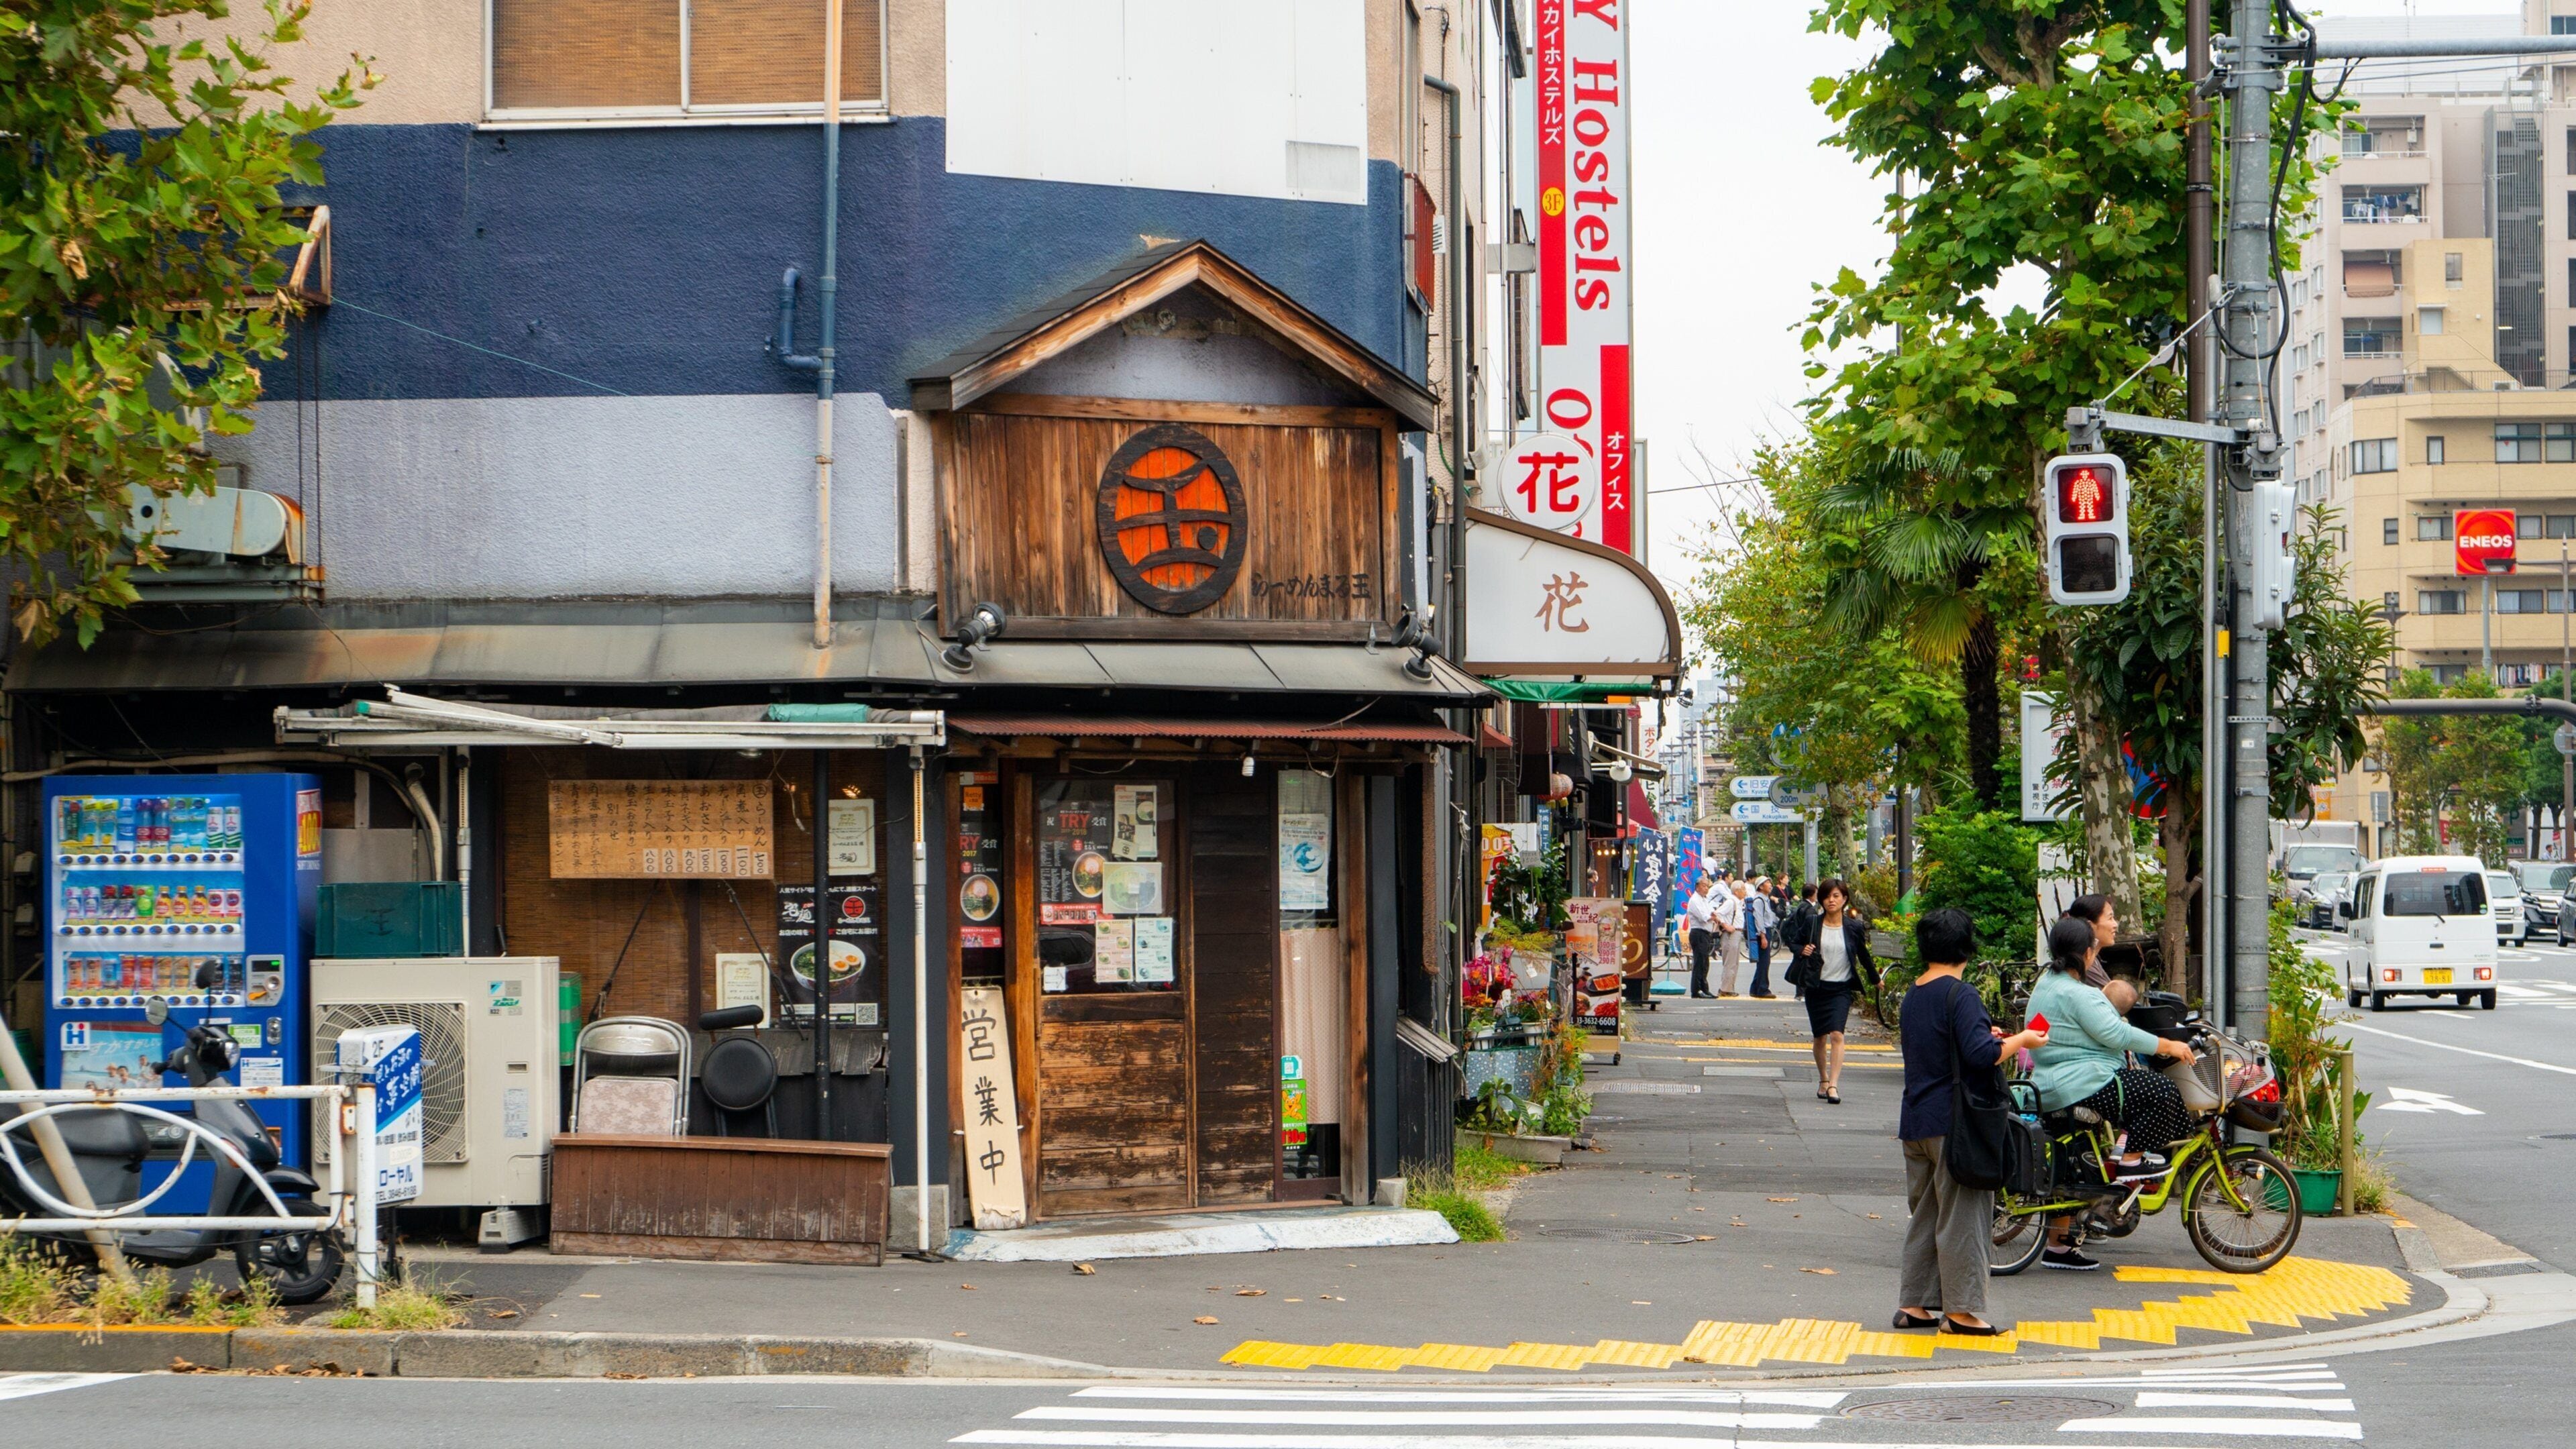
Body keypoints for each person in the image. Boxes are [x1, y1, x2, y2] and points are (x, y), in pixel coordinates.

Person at [1896, 908, 2049, 1335]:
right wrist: (2023, 1039)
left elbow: (1951, 1046)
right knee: (1964, 1217)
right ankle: (1961, 1313)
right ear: (1966, 948)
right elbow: (1981, 1056)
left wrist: (1990, 1037)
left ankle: (1914, 1304)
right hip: (1956, 1123)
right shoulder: (1960, 994)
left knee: (1927, 1214)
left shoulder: (1914, 992)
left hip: (1917, 1119)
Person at [2027, 915, 2199, 1271]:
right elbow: (2117, 1035)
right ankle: (2131, 1159)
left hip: (2051, 1085)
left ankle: (2058, 1247)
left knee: (2069, 1167)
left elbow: (2045, 1029)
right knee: (2162, 1091)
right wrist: (2168, 1045)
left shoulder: (2046, 986)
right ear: (2087, 954)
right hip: (2084, 1082)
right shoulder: (2077, 994)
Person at [1792, 877, 1875, 1104]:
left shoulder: (1853, 927)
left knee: (1837, 1034)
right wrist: (1802, 950)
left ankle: (1834, 1086)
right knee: (1820, 1037)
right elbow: (1794, 941)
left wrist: (1875, 979)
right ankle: (1823, 1079)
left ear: (1844, 899)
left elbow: (1863, 955)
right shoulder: (1812, 923)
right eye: (1827, 896)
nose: (1831, 900)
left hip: (1841, 989)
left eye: (1836, 896)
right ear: (1821, 900)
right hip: (1817, 987)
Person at [2062, 894, 2118, 987]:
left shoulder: (2093, 960)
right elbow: (2111, 996)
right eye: (2110, 918)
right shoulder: (2085, 965)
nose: (2115, 925)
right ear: (2090, 926)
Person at [1684, 875, 1722, 999]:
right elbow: (1704, 917)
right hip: (1698, 933)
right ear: (1697, 887)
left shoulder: (1704, 900)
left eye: (1707, 886)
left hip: (1705, 933)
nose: (1706, 888)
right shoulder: (1695, 900)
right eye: (1704, 886)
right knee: (1699, 963)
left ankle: (1705, 989)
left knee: (1705, 963)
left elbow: (1711, 912)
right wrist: (1713, 917)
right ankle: (1697, 990)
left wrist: (1714, 916)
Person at [1744, 878, 1780, 998]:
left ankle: (1755, 988)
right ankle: (1763, 989)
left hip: (1766, 931)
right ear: (1760, 887)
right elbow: (1758, 918)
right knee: (1764, 962)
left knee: (1763, 962)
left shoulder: (1765, 899)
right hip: (1763, 933)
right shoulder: (1759, 900)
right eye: (1767, 883)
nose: (1771, 885)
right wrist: (1763, 936)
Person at [1714, 879, 1748, 996]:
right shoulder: (1731, 902)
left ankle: (1729, 988)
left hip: (1737, 933)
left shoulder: (1738, 903)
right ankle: (1725, 989)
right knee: (1730, 962)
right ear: (1737, 891)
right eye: (1743, 889)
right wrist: (1726, 925)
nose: (1745, 891)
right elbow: (1717, 914)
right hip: (1731, 934)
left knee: (1734, 962)